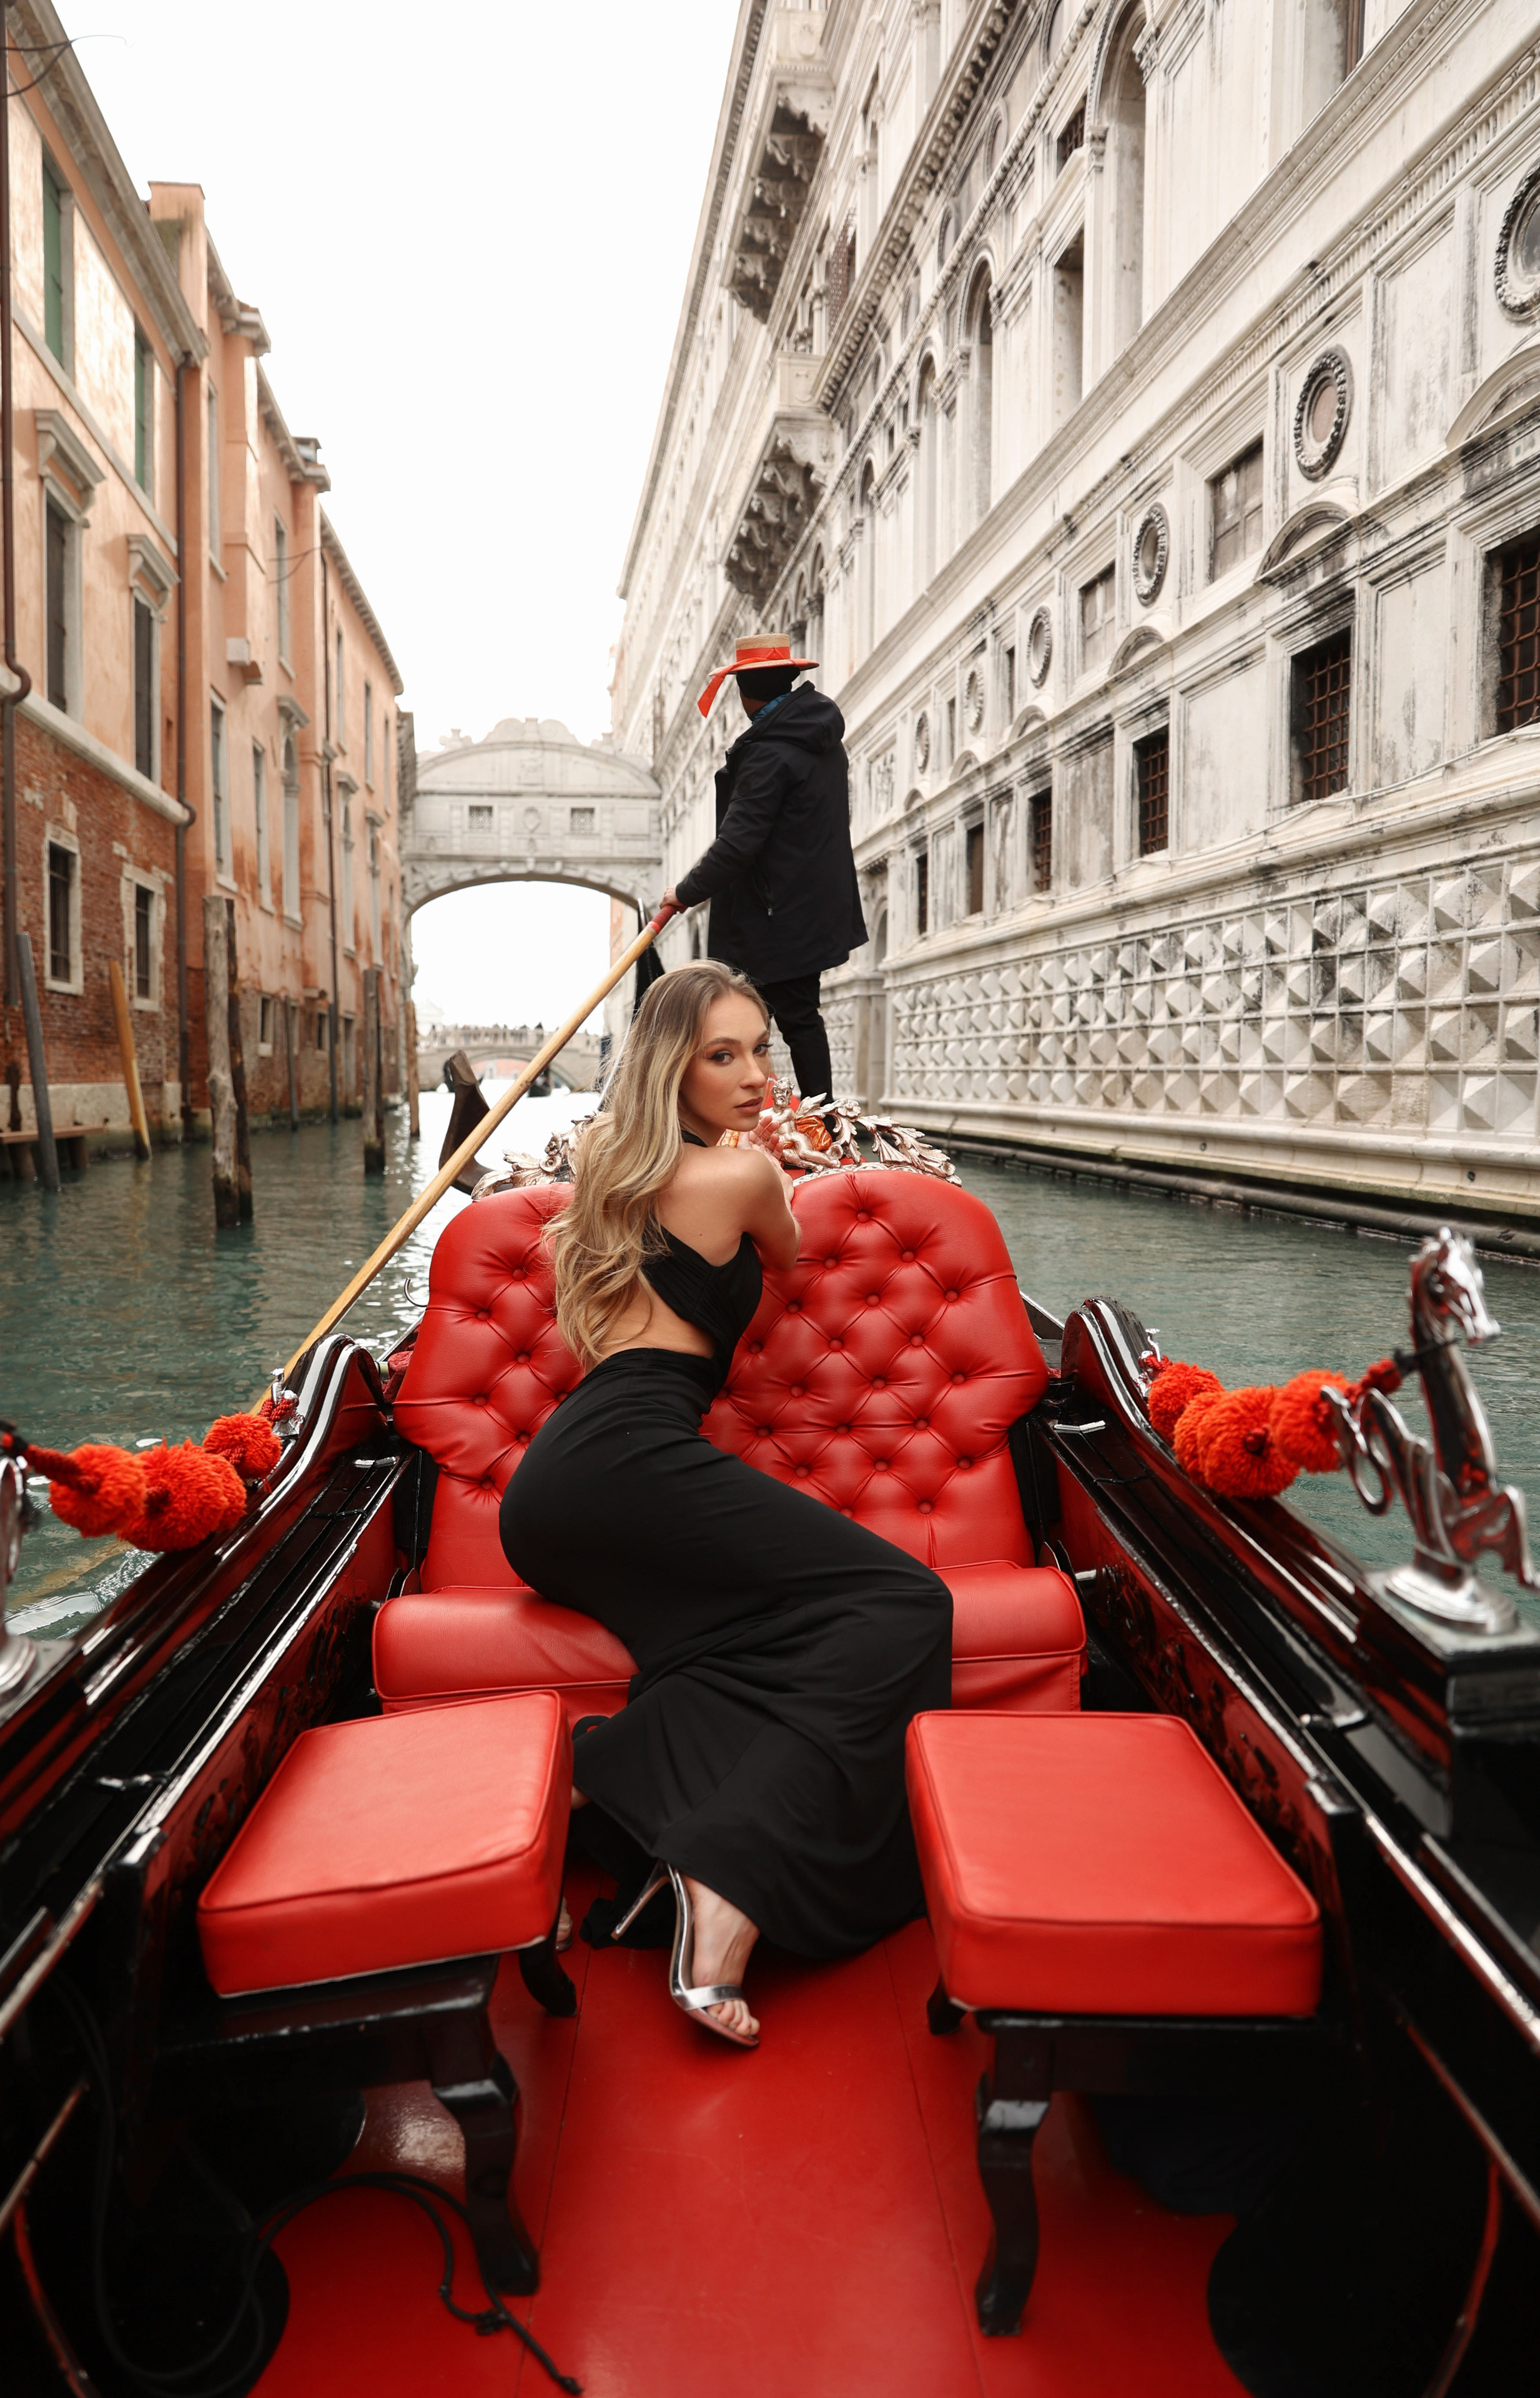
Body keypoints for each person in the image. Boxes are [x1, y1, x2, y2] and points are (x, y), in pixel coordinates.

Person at [498, 960, 951, 2046]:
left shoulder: (606, 1167)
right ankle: (729, 1876)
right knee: (905, 1604)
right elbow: (790, 1244)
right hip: (632, 1460)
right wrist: (784, 1159)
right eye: (724, 1055)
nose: (755, 1075)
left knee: (740, 1644)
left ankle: (581, 1791)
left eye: (761, 1050)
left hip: (557, 1488)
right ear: (673, 1068)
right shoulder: (745, 1174)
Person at [658, 636, 865, 1103]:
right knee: (799, 1019)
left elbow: (738, 844)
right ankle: (821, 1119)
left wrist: (684, 893)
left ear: (744, 692)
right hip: (806, 907)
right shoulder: (821, 742)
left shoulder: (768, 753)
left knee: (740, 1022)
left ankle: (740, 1120)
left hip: (768, 916)